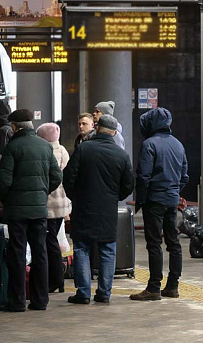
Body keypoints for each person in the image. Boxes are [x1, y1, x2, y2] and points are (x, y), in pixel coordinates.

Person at [0, 109, 62, 312]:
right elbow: (57, 177)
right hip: (39, 210)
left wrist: (9, 199)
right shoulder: (45, 146)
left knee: (17, 253)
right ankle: (40, 300)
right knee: (40, 252)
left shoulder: (12, 147)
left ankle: (16, 301)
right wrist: (42, 192)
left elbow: (2, 181)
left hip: (17, 212)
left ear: (14, 126)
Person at [64, 114, 134, 305]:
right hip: (108, 209)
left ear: (97, 127)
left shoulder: (83, 149)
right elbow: (128, 185)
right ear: (115, 132)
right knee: (107, 250)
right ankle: (104, 293)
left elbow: (68, 177)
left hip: (83, 207)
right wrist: (114, 197)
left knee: (81, 249)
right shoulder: (121, 155)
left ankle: (83, 293)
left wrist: (75, 196)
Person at [130, 107, 188, 301]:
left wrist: (142, 199)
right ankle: (173, 285)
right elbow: (184, 176)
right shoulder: (178, 145)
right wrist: (174, 191)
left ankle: (154, 287)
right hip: (172, 199)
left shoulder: (149, 144)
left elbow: (143, 175)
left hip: (154, 200)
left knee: (154, 243)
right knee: (174, 243)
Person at [36, 122, 72, 294]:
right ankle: (58, 280)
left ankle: (56, 279)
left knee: (49, 242)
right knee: (53, 241)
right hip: (62, 204)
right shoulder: (63, 150)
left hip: (49, 204)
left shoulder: (44, 151)